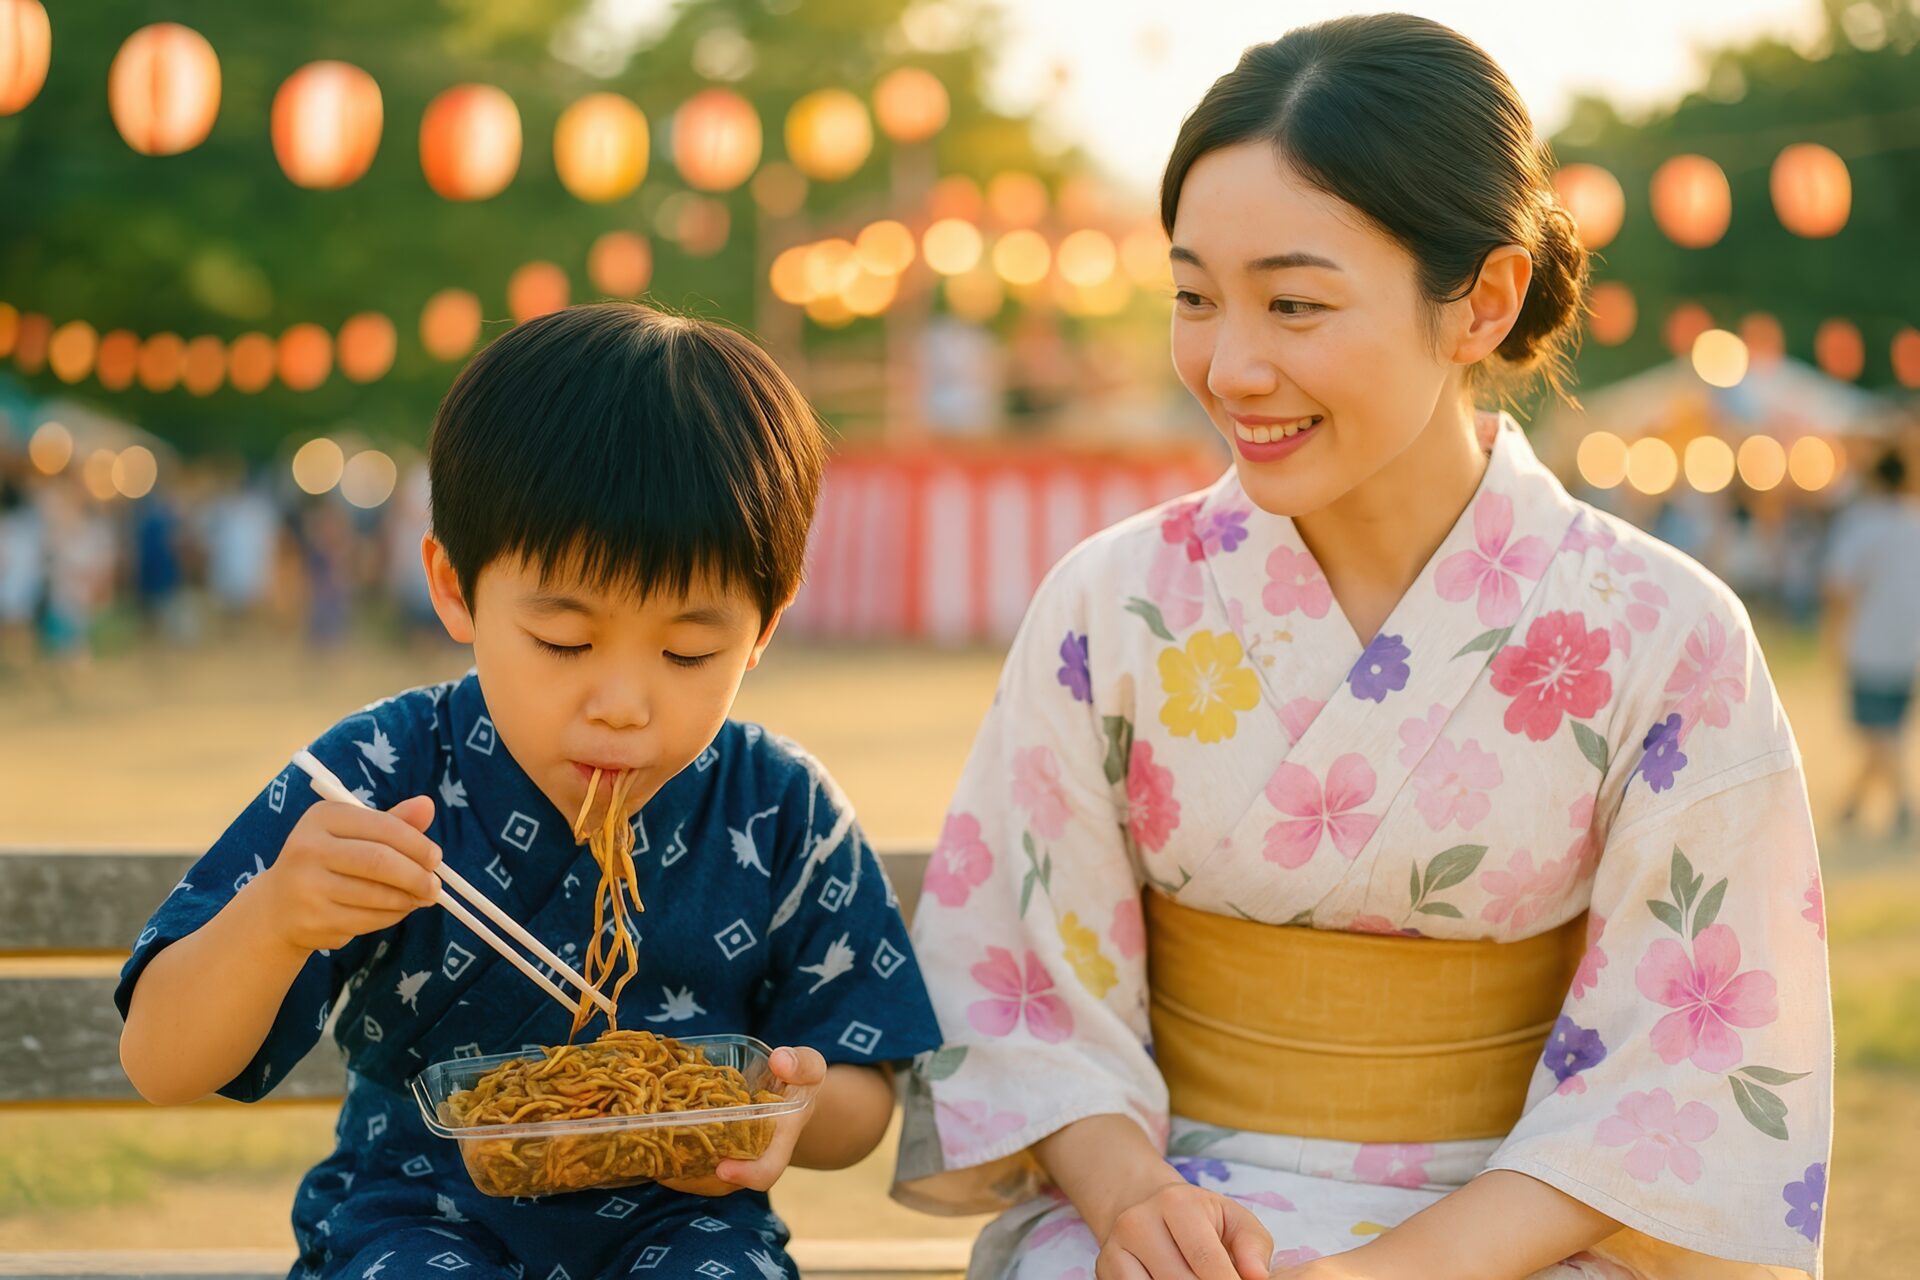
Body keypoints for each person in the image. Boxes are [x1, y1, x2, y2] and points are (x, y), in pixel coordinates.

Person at [893, 16, 1831, 1280]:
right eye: (1193, 298)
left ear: (1483, 302)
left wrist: (1385, 1270)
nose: (1232, 366)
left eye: (1295, 304)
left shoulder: (1669, 634)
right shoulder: (1110, 603)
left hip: (1523, 1236)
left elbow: (1687, 1064)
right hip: (1168, 1215)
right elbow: (1021, 984)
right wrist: (1134, 1200)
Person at [117, 303, 942, 1280]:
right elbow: (160, 1061)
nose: (623, 706)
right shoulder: (381, 770)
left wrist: (785, 1109)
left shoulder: (780, 806)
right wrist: (276, 919)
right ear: (454, 587)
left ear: (764, 626)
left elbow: (863, 1088)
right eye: (564, 640)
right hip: (414, 1221)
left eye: (688, 651)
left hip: (688, 1228)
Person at [1823, 446, 1920, 841]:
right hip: (1909, 642)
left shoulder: (1862, 523)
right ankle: (1851, 806)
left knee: (1877, 731)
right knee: (1886, 730)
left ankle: (1903, 805)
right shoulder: (1914, 520)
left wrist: (1833, 636)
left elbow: (1839, 586)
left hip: (1869, 641)